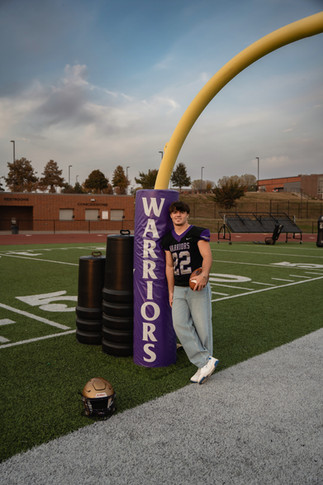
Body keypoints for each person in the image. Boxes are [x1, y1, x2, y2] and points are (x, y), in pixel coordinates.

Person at [161, 201, 219, 384]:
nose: (178, 215)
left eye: (181, 212)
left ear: (187, 214)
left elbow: (207, 256)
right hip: (178, 288)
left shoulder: (197, 232)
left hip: (197, 286)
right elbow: (169, 266)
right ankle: (205, 362)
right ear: (171, 216)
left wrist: (204, 275)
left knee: (203, 327)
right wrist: (170, 291)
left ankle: (203, 367)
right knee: (179, 324)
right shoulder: (167, 239)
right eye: (174, 213)